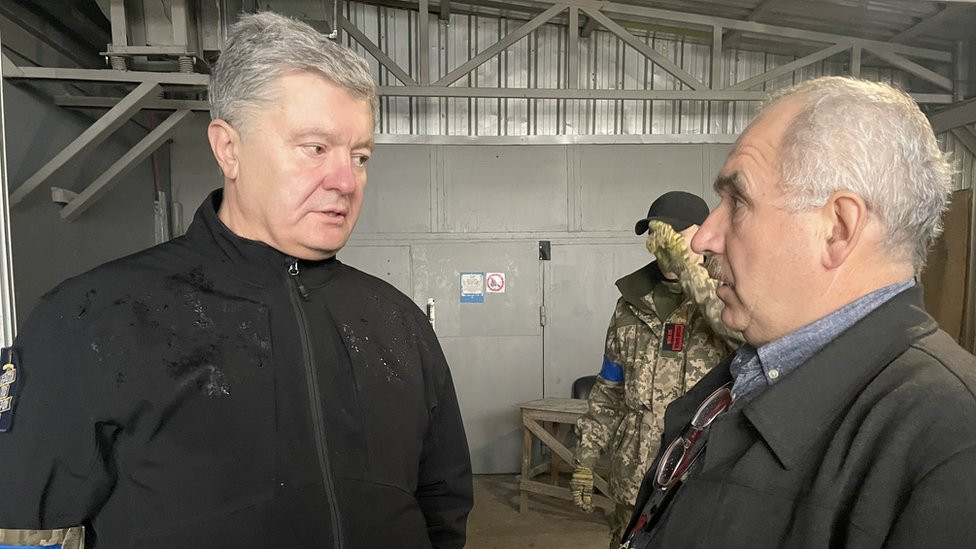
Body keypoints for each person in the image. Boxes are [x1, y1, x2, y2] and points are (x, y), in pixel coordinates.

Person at [0, 12, 472, 549]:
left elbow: (443, 504)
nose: (346, 181)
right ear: (229, 149)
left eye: (359, 156)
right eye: (315, 148)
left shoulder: (398, 322)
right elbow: (24, 528)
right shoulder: (90, 321)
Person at [622, 76, 976, 549]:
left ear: (837, 229)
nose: (704, 238)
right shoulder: (750, 373)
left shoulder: (950, 448)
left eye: (738, 202)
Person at [570, 191, 740, 545]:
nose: (664, 244)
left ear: (703, 234)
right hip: (633, 473)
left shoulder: (729, 294)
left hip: (698, 472)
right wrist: (586, 458)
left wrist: (690, 271)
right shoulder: (630, 304)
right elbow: (610, 388)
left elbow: (739, 335)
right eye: (656, 234)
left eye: (676, 234)